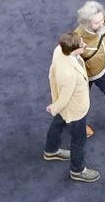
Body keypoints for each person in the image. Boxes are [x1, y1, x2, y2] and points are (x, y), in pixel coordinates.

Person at [43, 29, 101, 181]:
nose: (84, 45)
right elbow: (65, 98)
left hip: (66, 107)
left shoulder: (59, 50)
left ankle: (51, 150)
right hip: (75, 110)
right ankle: (77, 170)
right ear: (74, 50)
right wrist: (54, 107)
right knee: (78, 140)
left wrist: (56, 104)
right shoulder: (70, 75)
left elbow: (52, 72)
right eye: (82, 44)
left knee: (58, 123)